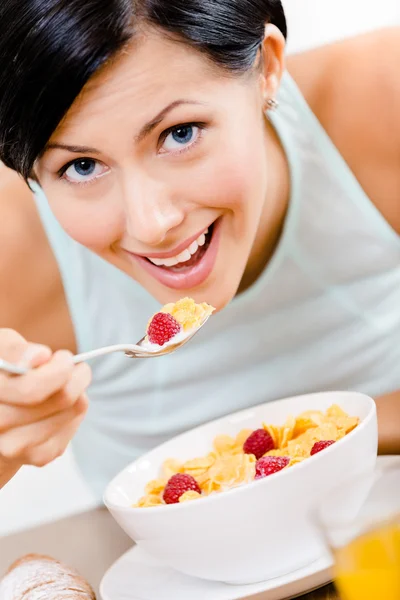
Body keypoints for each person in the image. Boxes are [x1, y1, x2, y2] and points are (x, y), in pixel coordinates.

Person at [0, 0, 399, 500]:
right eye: (81, 167)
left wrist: (310, 444)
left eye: (179, 134)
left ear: (267, 69)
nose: (153, 225)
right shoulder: (11, 246)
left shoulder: (384, 96)